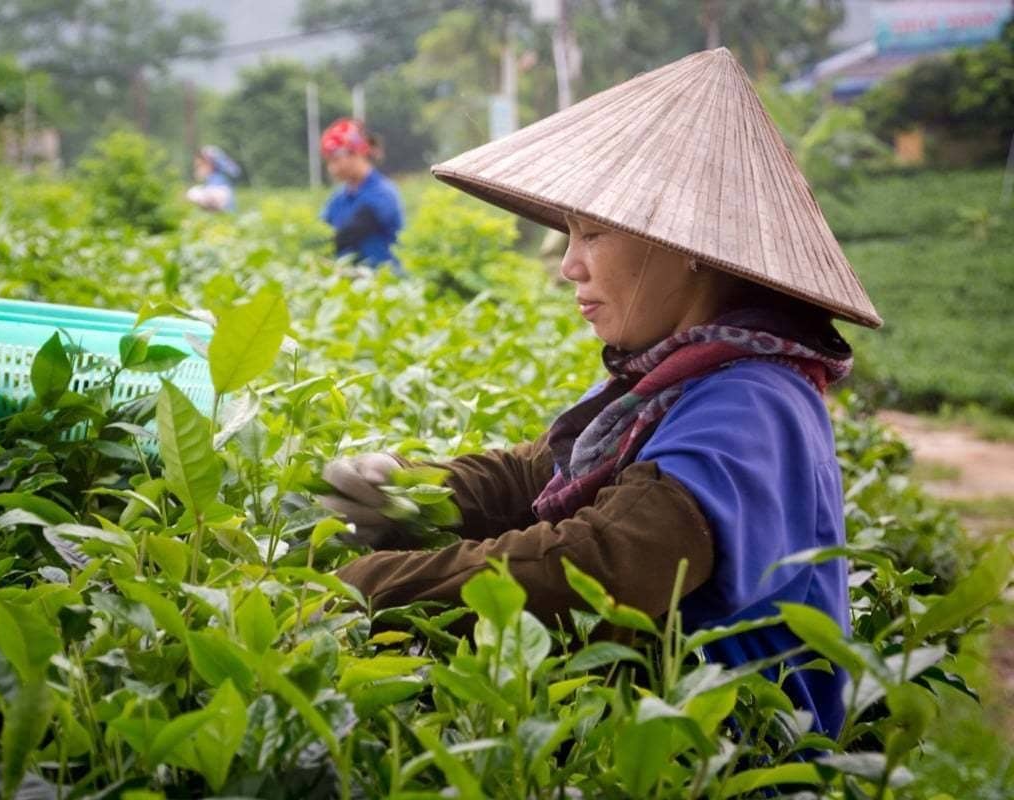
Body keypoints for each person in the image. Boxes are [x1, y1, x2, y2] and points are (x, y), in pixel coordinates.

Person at [318, 48, 883, 738]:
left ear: (686, 242)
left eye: (593, 233)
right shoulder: (676, 373)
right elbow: (541, 472)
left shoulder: (753, 403)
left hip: (733, 762)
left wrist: (368, 586)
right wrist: (408, 489)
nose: (568, 265)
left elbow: (603, 564)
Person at [320, 118, 404, 270]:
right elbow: (322, 235)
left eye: (335, 159)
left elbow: (347, 234)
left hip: (383, 280)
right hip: (346, 281)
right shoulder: (337, 199)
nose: (332, 168)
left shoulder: (383, 193)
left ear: (355, 154)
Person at [186, 145, 240, 213]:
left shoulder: (220, 172)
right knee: (193, 193)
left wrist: (219, 157)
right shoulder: (208, 178)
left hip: (222, 194)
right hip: (213, 193)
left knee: (195, 194)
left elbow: (235, 171)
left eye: (199, 165)